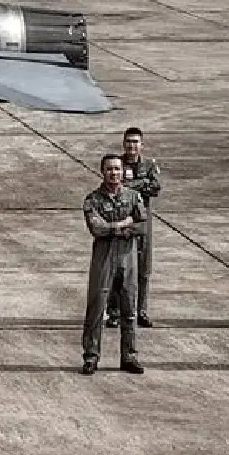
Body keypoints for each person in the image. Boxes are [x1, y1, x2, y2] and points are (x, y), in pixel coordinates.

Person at [81, 156, 145, 376]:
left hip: (128, 258)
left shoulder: (133, 196)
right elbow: (96, 228)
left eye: (117, 169)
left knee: (129, 308)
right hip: (104, 257)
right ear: (102, 171)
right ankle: (91, 356)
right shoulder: (93, 199)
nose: (114, 173)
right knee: (97, 306)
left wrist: (113, 227)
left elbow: (141, 226)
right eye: (109, 169)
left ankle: (129, 355)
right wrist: (122, 224)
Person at [117, 127, 161, 327]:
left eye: (135, 142)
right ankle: (116, 310)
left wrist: (131, 185)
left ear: (142, 145)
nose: (131, 145)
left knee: (143, 267)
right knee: (119, 266)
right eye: (128, 141)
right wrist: (141, 184)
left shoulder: (149, 165)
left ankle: (141, 310)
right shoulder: (117, 164)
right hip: (121, 217)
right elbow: (116, 187)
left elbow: (155, 188)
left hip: (142, 219)